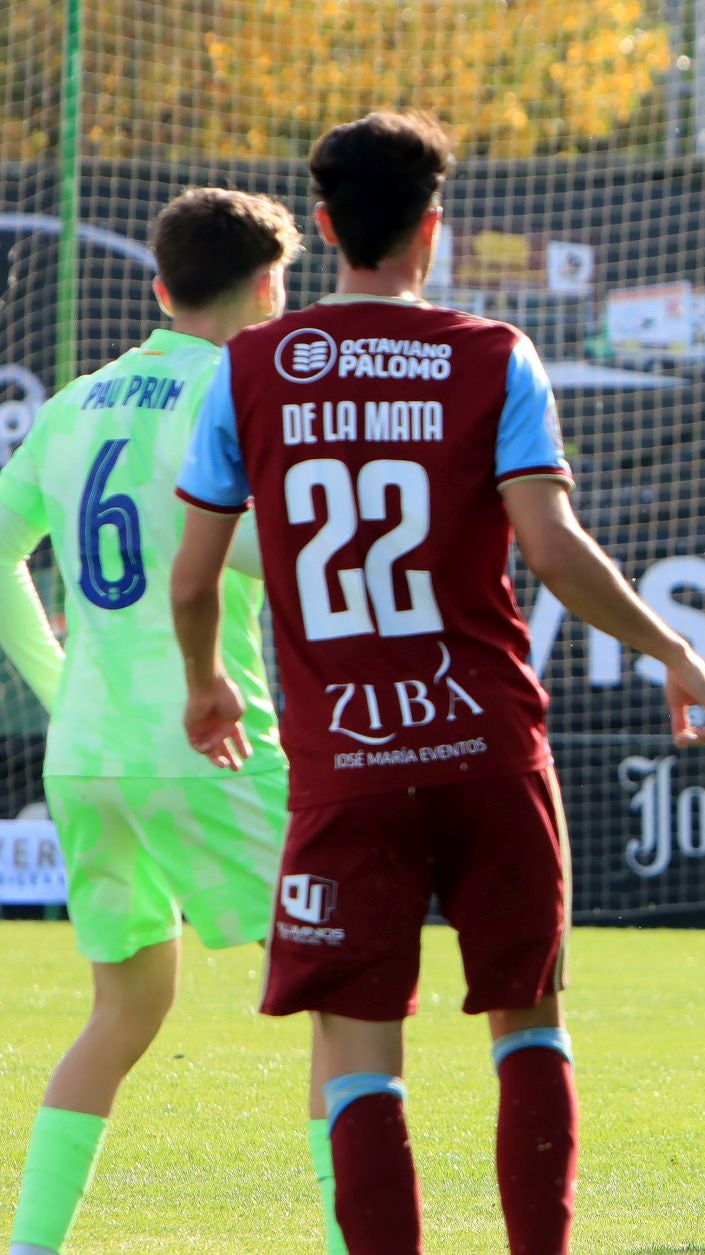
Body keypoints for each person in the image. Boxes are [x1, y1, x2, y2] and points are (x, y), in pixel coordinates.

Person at [168, 111, 705, 1255]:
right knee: (529, 1027)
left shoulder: (250, 371)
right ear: (437, 226)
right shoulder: (493, 352)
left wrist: (206, 681)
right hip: (488, 750)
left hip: (346, 764)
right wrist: (671, 647)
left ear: (322, 227)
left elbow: (189, 579)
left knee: (362, 1050)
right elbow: (556, 552)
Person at [0, 188, 301, 1255]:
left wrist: (61, 685)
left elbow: (0, 552)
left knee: (123, 1014)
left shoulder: (77, 401)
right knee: (352, 995)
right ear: (271, 286)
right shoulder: (247, 390)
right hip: (214, 744)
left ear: (160, 287)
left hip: (83, 759)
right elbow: (279, 555)